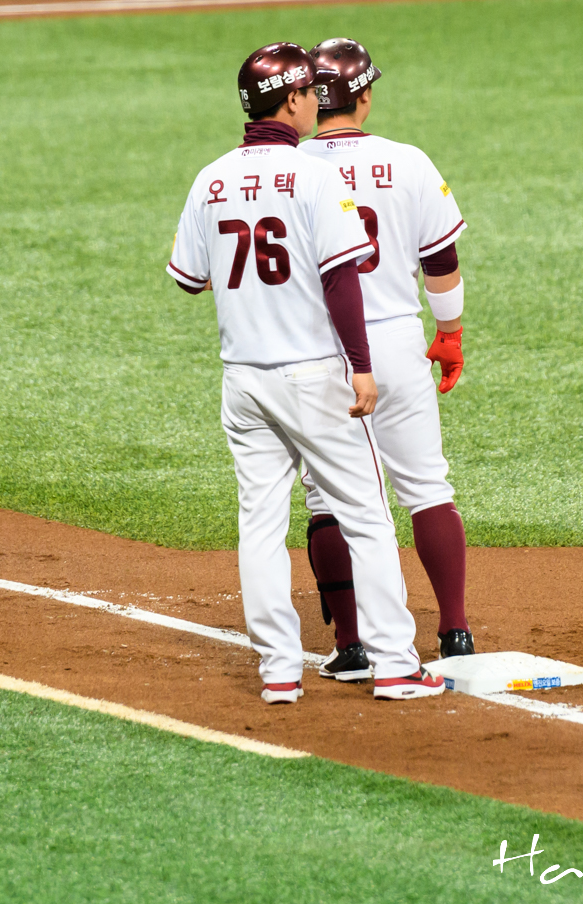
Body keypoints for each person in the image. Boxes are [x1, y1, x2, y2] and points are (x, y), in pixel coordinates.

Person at [167, 41, 444, 703]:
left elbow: (188, 280)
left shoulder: (210, 178)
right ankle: (396, 665)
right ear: (292, 99)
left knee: (260, 522)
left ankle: (278, 671)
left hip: (243, 379)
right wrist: (362, 366)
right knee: (367, 515)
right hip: (314, 376)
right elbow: (343, 278)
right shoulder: (314, 176)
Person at [299, 37, 473, 682]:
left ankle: (350, 645)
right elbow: (441, 262)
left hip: (320, 348)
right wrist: (448, 335)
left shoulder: (289, 170)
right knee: (427, 486)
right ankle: (454, 631)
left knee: (328, 499)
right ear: (365, 95)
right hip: (398, 340)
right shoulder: (408, 161)